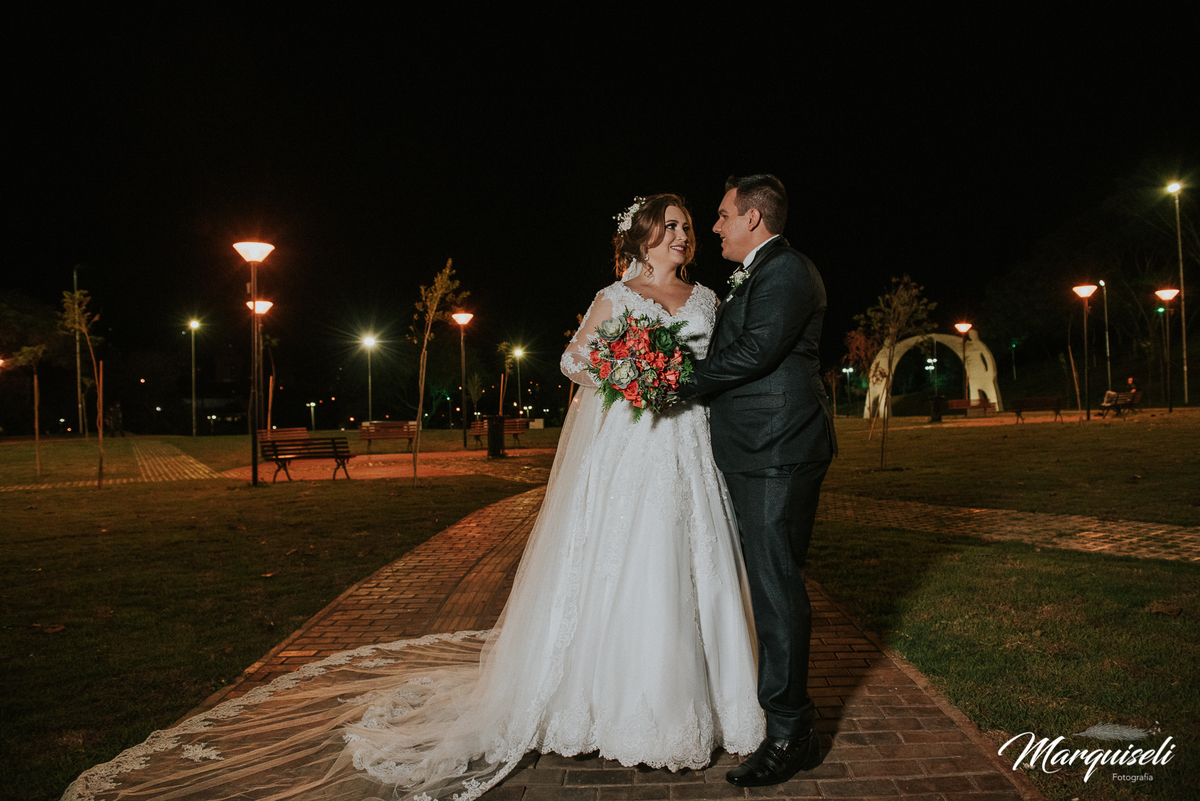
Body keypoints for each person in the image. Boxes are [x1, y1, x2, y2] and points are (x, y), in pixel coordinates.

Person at [62, 194, 763, 801]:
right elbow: (573, 358)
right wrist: (627, 368)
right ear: (643, 235)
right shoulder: (615, 297)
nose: (682, 235)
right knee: (624, 561)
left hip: (683, 445)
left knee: (685, 559)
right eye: (670, 225)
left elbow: (720, 367)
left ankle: (706, 701)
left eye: (688, 227)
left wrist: (677, 378)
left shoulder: (706, 300)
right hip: (627, 447)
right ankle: (601, 701)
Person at [675, 174, 837, 787]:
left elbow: (756, 354)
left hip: (779, 448)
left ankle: (791, 732)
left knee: (775, 587)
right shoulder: (762, 273)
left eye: (720, 215)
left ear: (752, 218)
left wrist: (674, 379)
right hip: (758, 448)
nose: (712, 227)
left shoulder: (788, 271)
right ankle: (792, 723)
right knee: (771, 583)